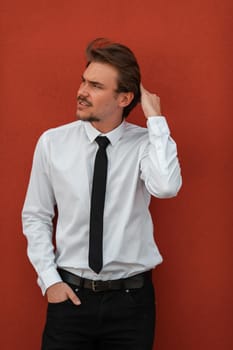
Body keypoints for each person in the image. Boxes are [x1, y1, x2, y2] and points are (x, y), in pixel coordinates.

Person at [22, 38, 182, 350]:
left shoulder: (146, 144)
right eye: (84, 81)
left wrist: (156, 121)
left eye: (95, 85)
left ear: (124, 98)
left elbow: (166, 187)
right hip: (70, 300)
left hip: (131, 305)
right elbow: (36, 215)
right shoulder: (52, 143)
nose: (82, 92)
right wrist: (49, 280)